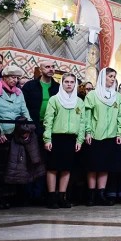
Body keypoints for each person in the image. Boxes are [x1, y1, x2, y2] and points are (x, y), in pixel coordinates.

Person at [43, 73, 85, 209]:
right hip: (56, 137)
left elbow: (82, 122)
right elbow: (48, 120)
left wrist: (80, 140)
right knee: (53, 168)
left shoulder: (79, 102)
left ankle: (62, 196)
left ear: (75, 84)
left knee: (67, 169)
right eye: (66, 81)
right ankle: (51, 197)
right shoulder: (54, 99)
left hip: (71, 138)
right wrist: (47, 138)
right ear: (62, 83)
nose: (69, 84)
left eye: (72, 82)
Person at [83, 68, 121, 206]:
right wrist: (87, 131)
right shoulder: (93, 95)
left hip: (111, 135)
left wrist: (119, 132)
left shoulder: (117, 96)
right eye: (110, 76)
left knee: (105, 166)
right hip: (94, 134)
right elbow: (87, 115)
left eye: (114, 76)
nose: (112, 79)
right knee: (93, 165)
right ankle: (90, 195)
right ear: (102, 77)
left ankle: (101, 194)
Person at [0, 65, 32, 209]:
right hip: (0, 135)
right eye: (12, 77)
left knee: (12, 167)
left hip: (16, 135)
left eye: (17, 78)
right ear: (4, 78)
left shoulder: (18, 93)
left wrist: (28, 127)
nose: (15, 80)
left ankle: (8, 197)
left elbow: (24, 110)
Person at [22, 60, 59, 141]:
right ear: (40, 70)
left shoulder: (59, 88)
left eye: (53, 67)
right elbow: (23, 106)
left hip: (53, 126)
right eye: (47, 67)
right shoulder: (30, 85)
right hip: (33, 125)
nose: (51, 69)